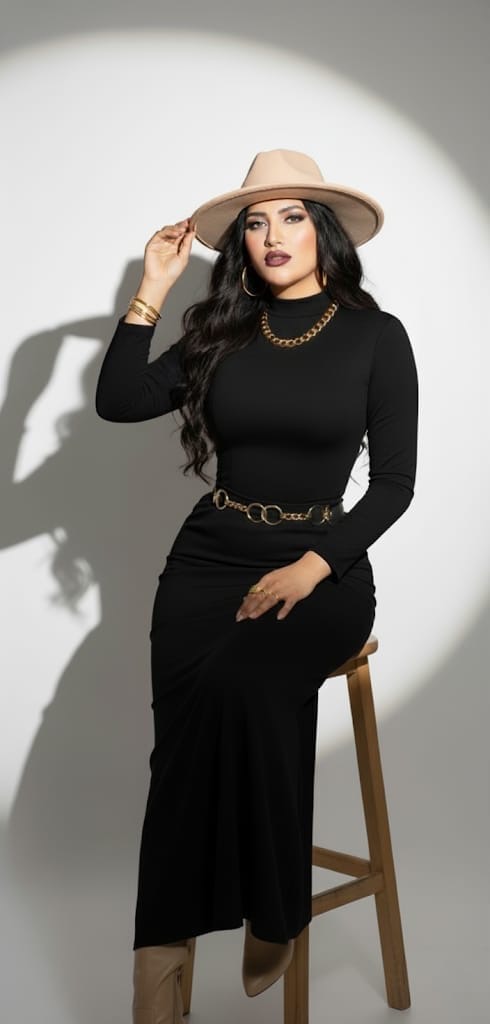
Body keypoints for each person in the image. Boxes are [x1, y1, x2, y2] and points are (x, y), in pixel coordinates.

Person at [95, 148, 419, 1023]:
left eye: (292, 216)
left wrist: (311, 567)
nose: (273, 234)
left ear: (324, 233)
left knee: (243, 683)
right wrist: (152, 289)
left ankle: (274, 902)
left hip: (325, 565)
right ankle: (158, 979)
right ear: (240, 242)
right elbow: (120, 400)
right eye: (255, 221)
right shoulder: (222, 329)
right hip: (208, 559)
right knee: (178, 753)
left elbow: (394, 484)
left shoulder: (375, 336)